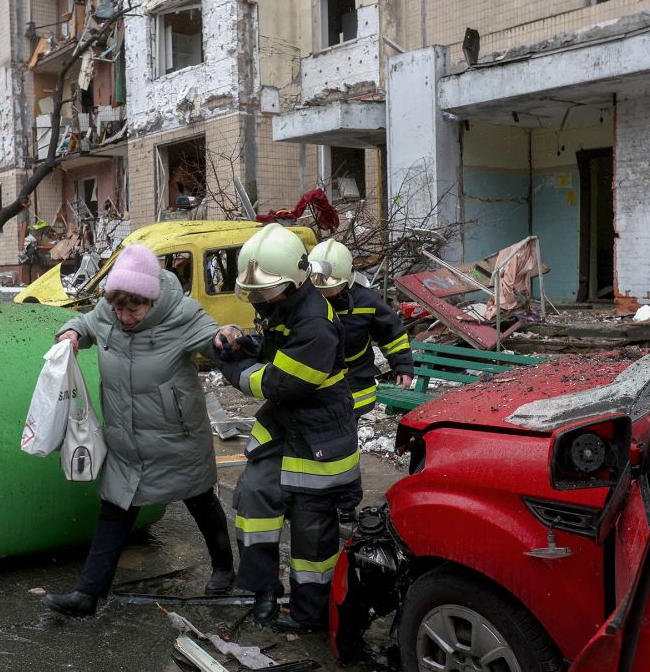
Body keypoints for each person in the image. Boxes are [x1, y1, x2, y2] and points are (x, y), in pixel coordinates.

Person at [43, 243, 234, 617]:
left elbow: (214, 339)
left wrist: (225, 336)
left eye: (134, 308)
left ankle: (224, 567)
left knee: (200, 501)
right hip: (125, 440)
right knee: (115, 509)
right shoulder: (108, 314)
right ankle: (87, 595)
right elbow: (85, 322)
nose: (125, 316)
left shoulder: (181, 315)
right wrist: (71, 333)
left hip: (176, 438)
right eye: (119, 307)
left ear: (151, 297)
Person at [213, 224, 359, 633]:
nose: (257, 298)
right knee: (254, 498)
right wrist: (241, 343)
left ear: (294, 281)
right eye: (253, 290)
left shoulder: (315, 322)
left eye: (264, 290)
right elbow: (277, 352)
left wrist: (230, 364)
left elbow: (278, 383)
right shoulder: (285, 306)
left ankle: (310, 615)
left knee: (312, 536)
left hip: (318, 440)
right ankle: (263, 590)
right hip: (285, 431)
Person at [308, 239, 413, 521]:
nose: (322, 291)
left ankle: (345, 504)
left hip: (354, 387)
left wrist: (401, 364)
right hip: (315, 386)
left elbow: (391, 333)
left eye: (328, 285)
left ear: (347, 278)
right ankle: (312, 498)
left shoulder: (366, 302)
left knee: (343, 448)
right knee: (314, 446)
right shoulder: (308, 298)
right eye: (316, 284)